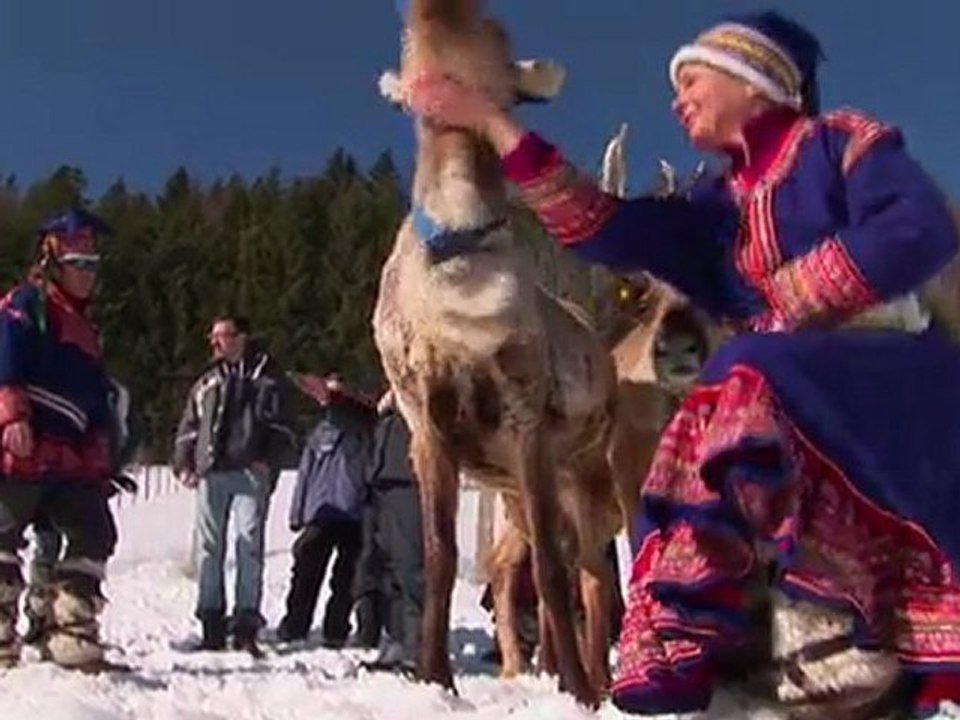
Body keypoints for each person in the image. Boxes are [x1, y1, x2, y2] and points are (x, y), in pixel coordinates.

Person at [404, 10, 960, 717]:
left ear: (754, 79)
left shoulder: (840, 146)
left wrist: (796, 295)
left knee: (738, 379)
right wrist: (487, 121)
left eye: (691, 78)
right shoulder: (713, 207)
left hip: (889, 381)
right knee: (695, 428)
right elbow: (602, 226)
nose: (676, 98)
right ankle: (726, 637)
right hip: (785, 399)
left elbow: (920, 227)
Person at [0, 208, 121, 671]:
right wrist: (12, 414)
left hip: (69, 459)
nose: (89, 274)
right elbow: (5, 360)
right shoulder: (24, 305)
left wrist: (100, 454)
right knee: (4, 527)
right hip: (22, 446)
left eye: (94, 265)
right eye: (80, 264)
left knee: (94, 530)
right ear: (52, 259)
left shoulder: (86, 331)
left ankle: (70, 630)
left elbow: (94, 402)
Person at [173, 314, 295, 655]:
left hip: (249, 474)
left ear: (241, 338)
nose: (215, 343)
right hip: (211, 472)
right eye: (212, 337)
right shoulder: (207, 382)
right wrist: (183, 462)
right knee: (211, 549)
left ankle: (245, 623)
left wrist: (268, 460)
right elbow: (190, 425)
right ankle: (211, 621)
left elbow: (285, 426)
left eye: (222, 336)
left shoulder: (268, 378)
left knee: (248, 546)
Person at [22, 377, 142, 647]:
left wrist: (112, 468)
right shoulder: (95, 387)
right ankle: (44, 614)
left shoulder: (111, 391)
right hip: (63, 474)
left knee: (66, 544)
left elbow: (130, 434)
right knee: (51, 543)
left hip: (79, 476)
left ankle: (56, 615)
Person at [277, 372, 376, 647]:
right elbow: (305, 474)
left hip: (354, 513)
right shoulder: (320, 432)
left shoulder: (367, 430)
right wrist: (297, 513)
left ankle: (336, 629)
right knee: (306, 572)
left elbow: (371, 473)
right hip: (321, 512)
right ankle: (296, 625)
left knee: (345, 579)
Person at [356, 390, 424, 674]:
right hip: (381, 472)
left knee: (411, 565)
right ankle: (396, 638)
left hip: (409, 474)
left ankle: (418, 646)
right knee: (385, 566)